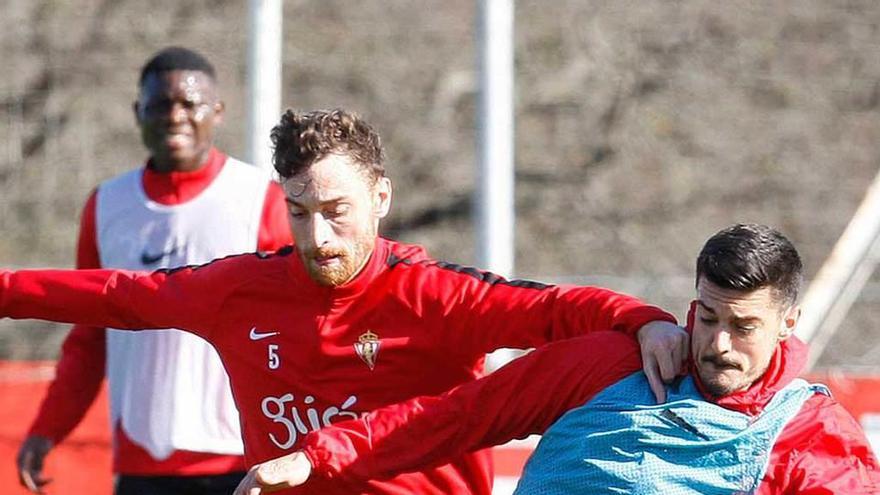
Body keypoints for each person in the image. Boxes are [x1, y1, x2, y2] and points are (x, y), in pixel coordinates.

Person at [0, 108, 686, 495]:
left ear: (380, 199)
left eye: (337, 211)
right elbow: (121, 294)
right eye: (299, 212)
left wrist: (646, 318)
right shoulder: (239, 290)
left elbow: (559, 309)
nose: (317, 235)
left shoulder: (436, 295)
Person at [238, 224, 880, 495]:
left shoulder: (812, 440)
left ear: (788, 323)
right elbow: (458, 416)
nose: (716, 344)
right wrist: (317, 455)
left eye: (744, 327)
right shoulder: (612, 364)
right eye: (707, 317)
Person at [15, 46, 293, 495]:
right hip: (141, 459)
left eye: (190, 104)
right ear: (137, 111)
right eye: (160, 104)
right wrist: (49, 428)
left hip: (241, 459)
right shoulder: (106, 204)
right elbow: (89, 337)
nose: (175, 116)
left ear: (217, 111)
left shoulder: (262, 198)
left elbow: (292, 333)